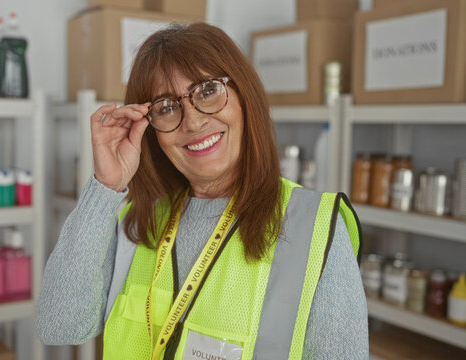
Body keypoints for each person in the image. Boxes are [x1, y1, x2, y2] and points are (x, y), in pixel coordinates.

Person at [36, 22, 368, 360]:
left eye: (208, 91)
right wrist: (106, 186)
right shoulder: (137, 222)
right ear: (150, 129)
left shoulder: (314, 228)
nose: (193, 122)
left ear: (244, 96)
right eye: (166, 107)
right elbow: (59, 326)